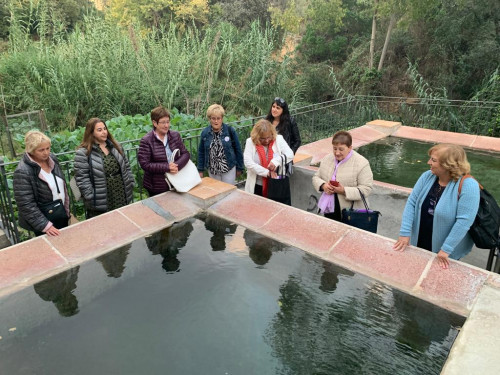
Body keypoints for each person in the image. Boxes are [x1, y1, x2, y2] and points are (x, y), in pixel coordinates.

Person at [393, 143, 480, 269]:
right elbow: (412, 203)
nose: (429, 162)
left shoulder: (469, 185)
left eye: (433, 160)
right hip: (422, 236)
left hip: (447, 246)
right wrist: (405, 233)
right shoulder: (427, 176)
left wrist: (446, 249)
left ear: (448, 165)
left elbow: (464, 222)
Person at [74, 118, 134, 218]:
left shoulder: (115, 146)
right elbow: (82, 178)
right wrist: (90, 196)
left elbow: (126, 166)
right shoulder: (83, 153)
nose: (104, 132)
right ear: (91, 133)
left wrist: (130, 182)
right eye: (99, 130)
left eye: (105, 129)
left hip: (120, 191)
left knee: (122, 221)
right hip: (101, 196)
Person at [13, 131, 70, 236]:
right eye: (41, 150)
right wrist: (45, 225)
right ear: (31, 150)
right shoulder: (23, 171)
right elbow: (26, 204)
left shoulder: (52, 159)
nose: (46, 152)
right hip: (43, 220)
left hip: (60, 212)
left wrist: (66, 210)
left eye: (48, 148)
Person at [312, 130, 373, 222]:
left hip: (351, 212)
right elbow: (316, 177)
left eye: (341, 149)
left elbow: (366, 189)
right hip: (329, 209)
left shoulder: (361, 163)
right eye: (334, 148)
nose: (337, 153)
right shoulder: (327, 159)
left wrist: (344, 190)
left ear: (350, 148)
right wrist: (323, 185)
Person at [138, 106, 190, 196]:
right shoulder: (147, 140)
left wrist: (176, 166)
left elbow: (185, 154)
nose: (166, 125)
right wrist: (167, 167)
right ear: (154, 123)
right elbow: (145, 164)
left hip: (177, 181)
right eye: (163, 123)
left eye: (168, 122)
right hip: (157, 185)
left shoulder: (175, 135)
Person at [244, 119, 294, 204]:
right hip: (257, 185)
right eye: (263, 138)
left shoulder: (279, 139)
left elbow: (290, 154)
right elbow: (248, 163)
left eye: (269, 137)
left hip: (276, 185)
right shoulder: (250, 142)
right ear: (257, 136)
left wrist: (276, 161)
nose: (267, 141)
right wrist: (267, 173)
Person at [197, 104, 244, 184]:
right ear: (209, 119)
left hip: (228, 169)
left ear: (222, 119)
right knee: (216, 193)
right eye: (213, 118)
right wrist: (200, 169)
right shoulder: (205, 133)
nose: (216, 121)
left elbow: (238, 149)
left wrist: (239, 167)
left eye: (218, 118)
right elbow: (201, 152)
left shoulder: (230, 131)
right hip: (213, 171)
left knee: (228, 193)